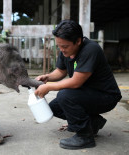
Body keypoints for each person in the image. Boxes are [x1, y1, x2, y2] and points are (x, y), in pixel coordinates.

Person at [35, 19, 122, 150]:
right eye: (59, 46)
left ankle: (85, 136)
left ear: (78, 41)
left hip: (106, 96)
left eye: (64, 46)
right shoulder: (66, 50)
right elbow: (60, 71)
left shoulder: (91, 49)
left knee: (64, 95)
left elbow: (76, 82)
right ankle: (93, 123)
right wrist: (48, 77)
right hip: (86, 93)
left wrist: (49, 87)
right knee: (54, 107)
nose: (61, 50)